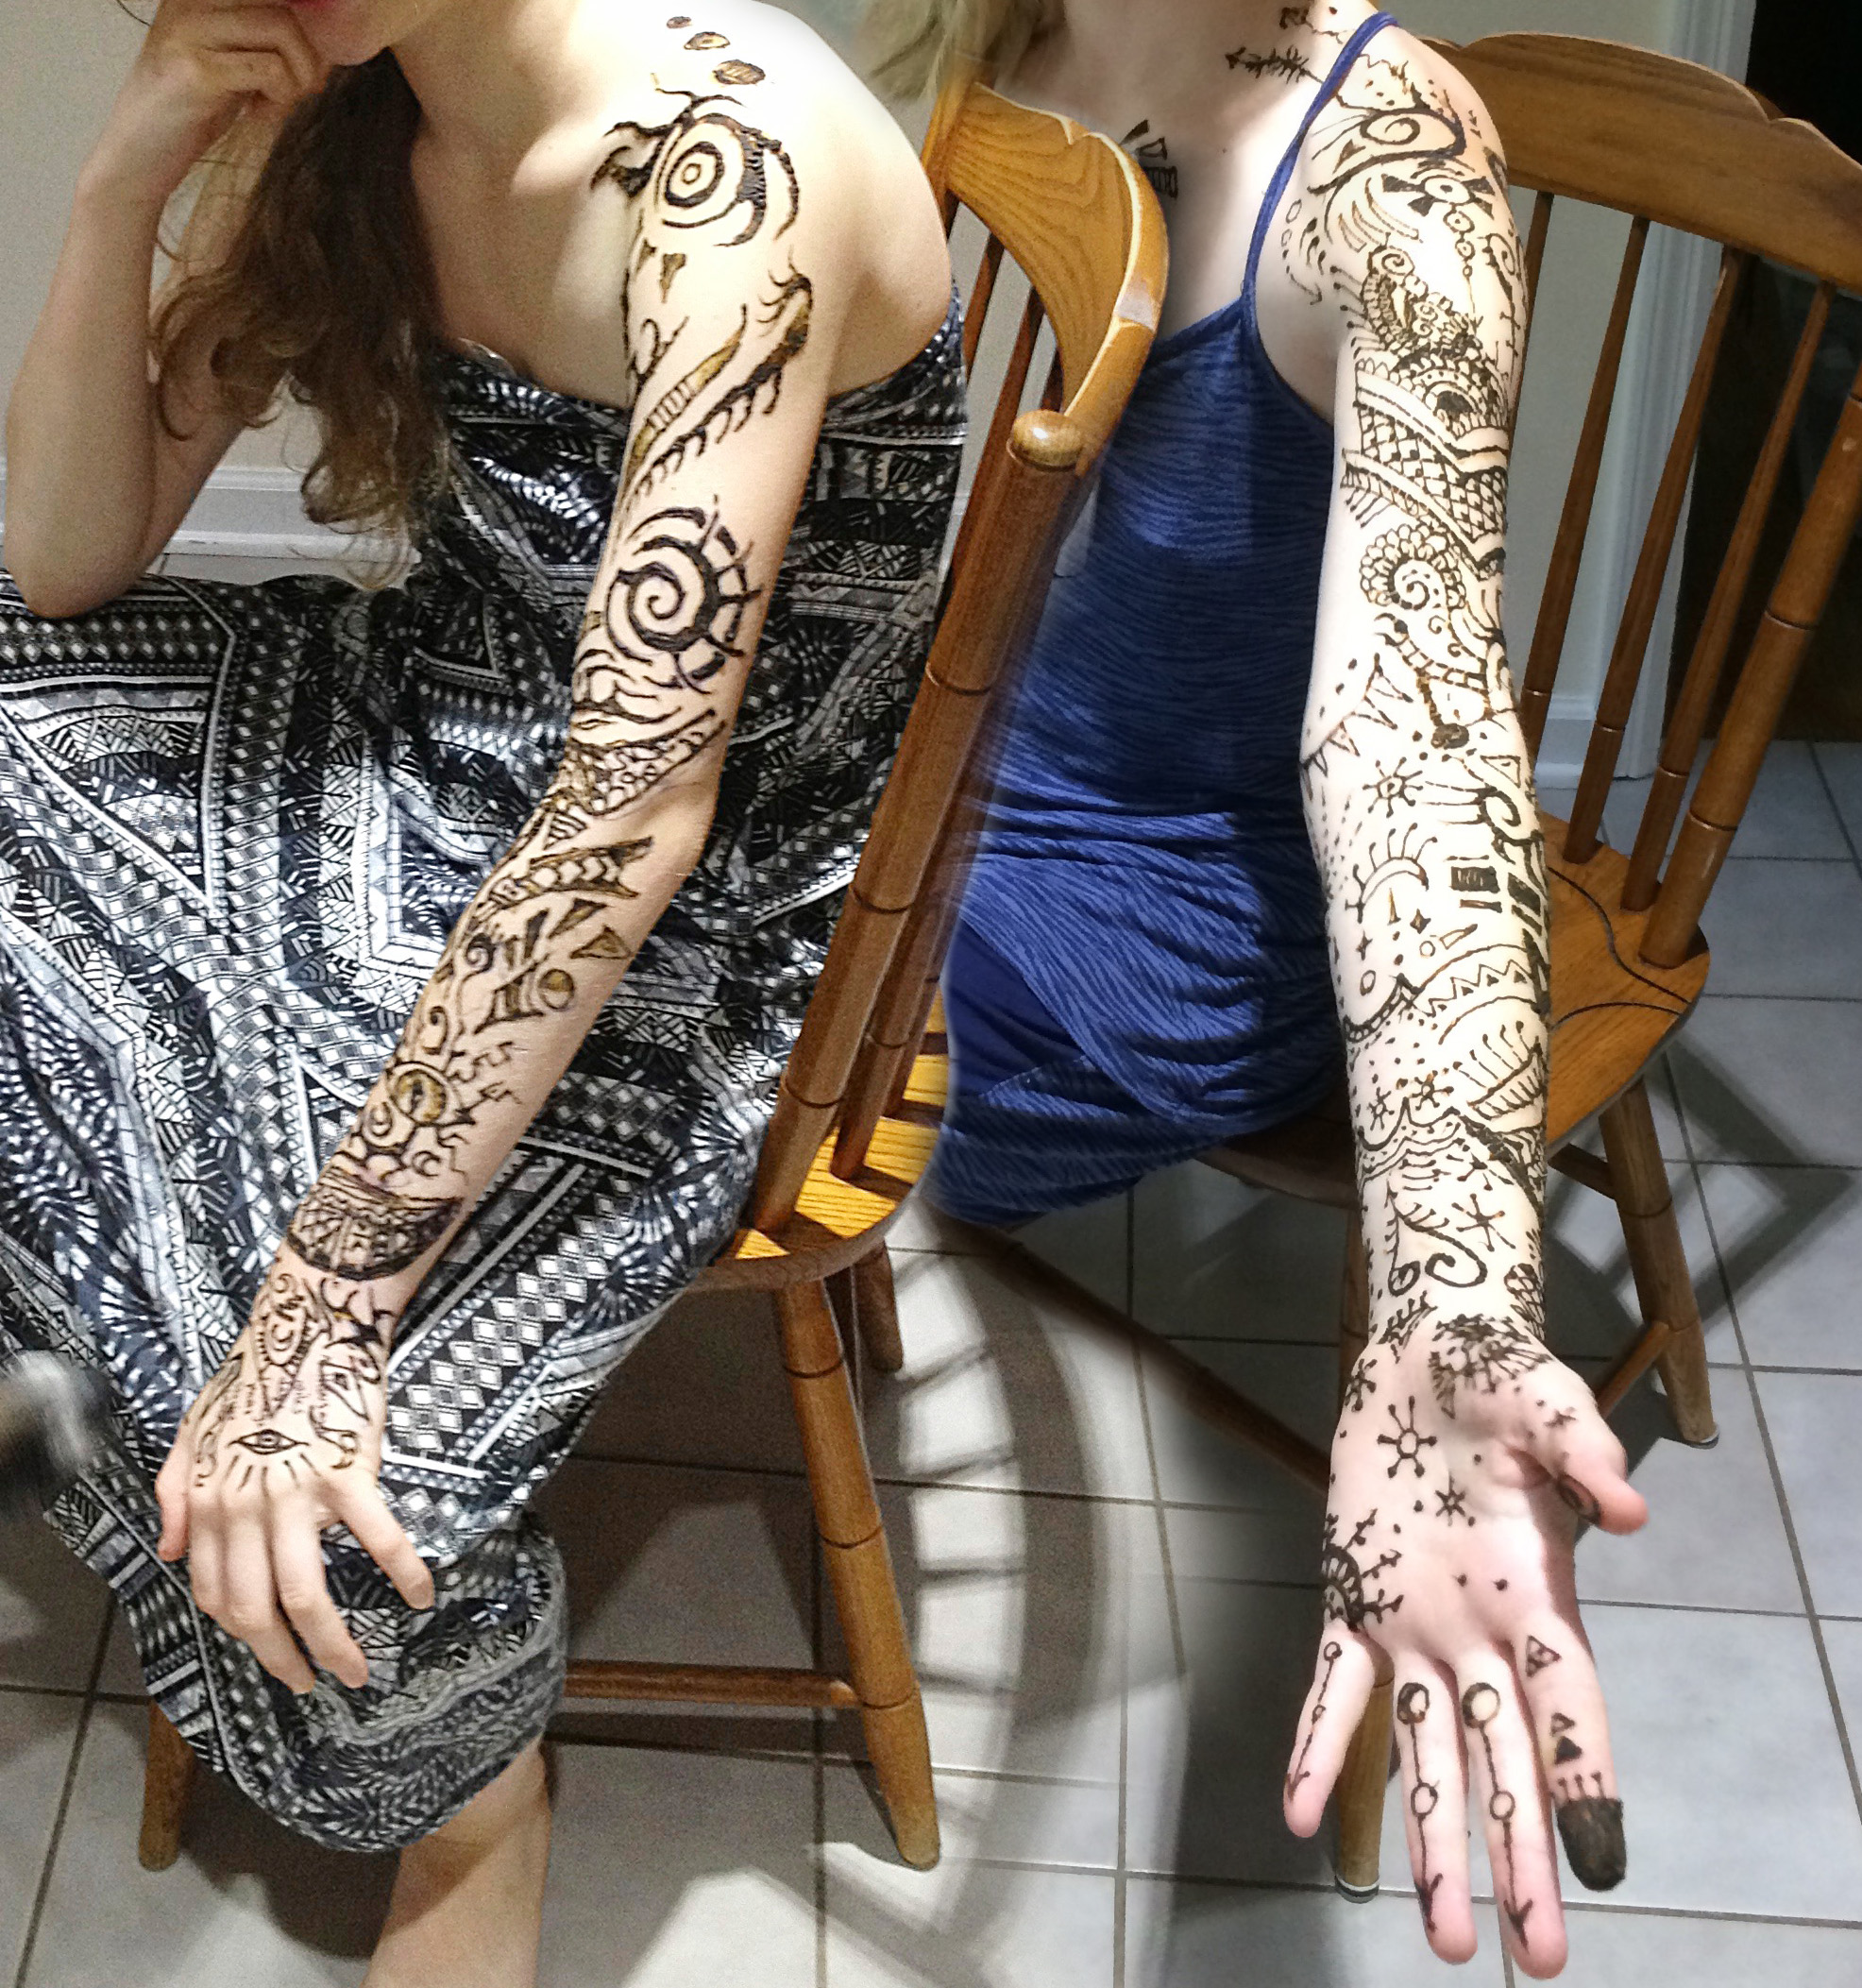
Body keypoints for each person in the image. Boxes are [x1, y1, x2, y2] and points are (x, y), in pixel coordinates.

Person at [1, 0, 961, 1979]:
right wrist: (126, 171)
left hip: (695, 923)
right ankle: (111, 1325)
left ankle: (468, 1801)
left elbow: (638, 807)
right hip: (423, 725)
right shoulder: (363, 109)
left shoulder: (733, 165)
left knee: (335, 1520)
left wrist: (319, 1305)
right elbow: (65, 558)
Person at [879, 0, 1652, 1977]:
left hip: (1160, 930)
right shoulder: (1009, 26)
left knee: (671, 1025)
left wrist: (1454, 1291)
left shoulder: (1385, 170)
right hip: (975, 758)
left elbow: (1416, 734)